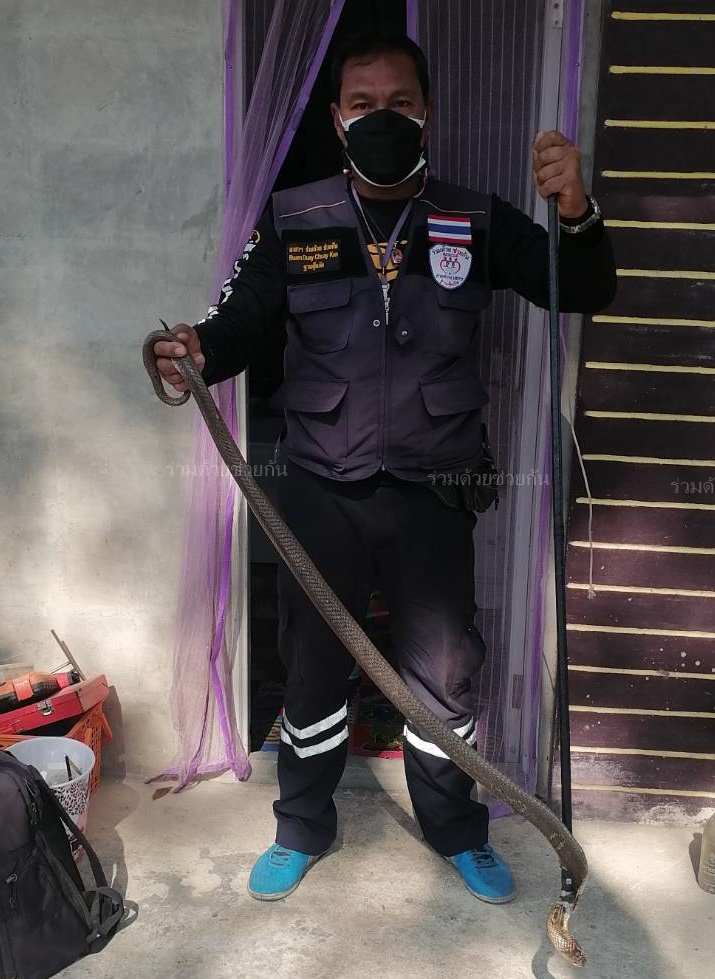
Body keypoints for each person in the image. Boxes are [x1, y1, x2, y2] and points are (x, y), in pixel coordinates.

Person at [154, 32, 616, 906]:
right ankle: (301, 826)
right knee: (312, 666)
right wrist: (196, 350)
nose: (381, 118)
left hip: (433, 494)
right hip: (320, 492)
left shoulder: (472, 218)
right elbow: (242, 321)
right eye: (362, 104)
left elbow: (583, 287)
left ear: (426, 113)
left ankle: (455, 829)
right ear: (336, 118)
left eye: (399, 103)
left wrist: (575, 212)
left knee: (444, 675)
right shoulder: (295, 219)